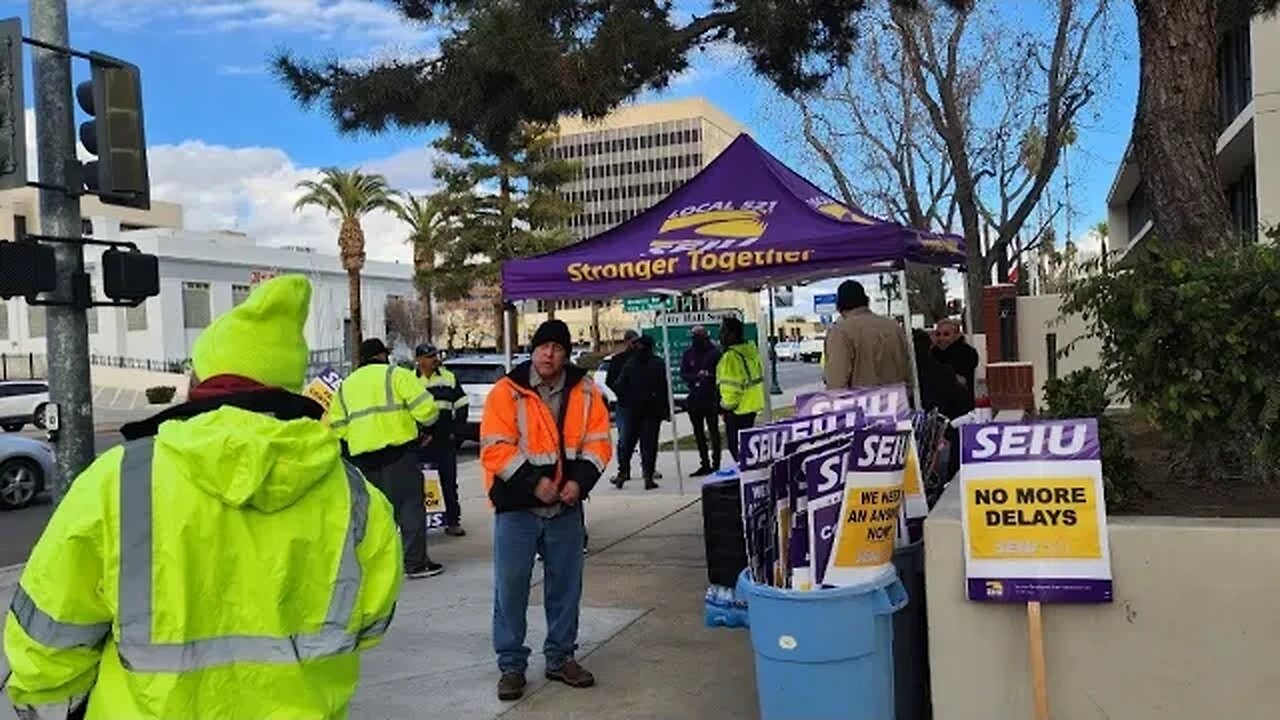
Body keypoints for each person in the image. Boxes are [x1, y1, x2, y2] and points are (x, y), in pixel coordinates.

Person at [3, 275, 402, 719]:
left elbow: (48, 635)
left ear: (201, 378)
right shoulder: (354, 494)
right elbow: (371, 621)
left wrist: (44, 700)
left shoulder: (120, 478)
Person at [480, 319, 613, 701]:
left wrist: (579, 482)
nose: (548, 354)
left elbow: (599, 444)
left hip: (565, 510)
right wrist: (533, 483)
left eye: (557, 348)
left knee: (566, 588)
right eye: (543, 346)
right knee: (511, 589)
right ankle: (511, 666)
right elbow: (494, 447)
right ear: (533, 350)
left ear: (566, 354)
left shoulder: (586, 392)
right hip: (516, 510)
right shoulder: (507, 391)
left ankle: (560, 657)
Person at [330, 338, 443, 578]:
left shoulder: (346, 385)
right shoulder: (396, 375)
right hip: (399, 454)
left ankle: (377, 565)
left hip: (363, 460)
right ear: (383, 355)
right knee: (409, 509)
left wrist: (357, 441)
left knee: (374, 515)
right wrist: (428, 430)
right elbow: (427, 410)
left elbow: (337, 426)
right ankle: (415, 563)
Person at [415, 343, 468, 537]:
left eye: (435, 355)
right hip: (421, 443)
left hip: (444, 441)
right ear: (419, 360)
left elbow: (462, 404)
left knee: (449, 484)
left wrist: (457, 432)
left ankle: (453, 522)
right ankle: (418, 525)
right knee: (418, 486)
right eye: (429, 357)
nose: (434, 359)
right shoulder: (410, 381)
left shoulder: (448, 377)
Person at [823, 279, 910, 391]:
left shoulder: (841, 332)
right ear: (866, 301)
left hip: (863, 400)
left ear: (839, 307)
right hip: (898, 399)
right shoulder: (894, 327)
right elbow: (907, 370)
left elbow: (837, 382)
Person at [613, 334, 670, 490]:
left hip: (634, 409)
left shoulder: (631, 364)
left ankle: (623, 472)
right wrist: (665, 409)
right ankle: (647, 476)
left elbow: (619, 385)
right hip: (651, 409)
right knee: (649, 445)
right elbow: (664, 388)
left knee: (628, 443)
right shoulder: (658, 364)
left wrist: (626, 399)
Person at [716, 316, 765, 463]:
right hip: (752, 405)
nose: (720, 335)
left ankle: (745, 474)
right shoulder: (750, 351)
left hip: (737, 410)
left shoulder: (731, 357)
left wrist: (724, 406)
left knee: (736, 448)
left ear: (732, 333)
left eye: (723, 331)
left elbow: (731, 388)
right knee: (748, 449)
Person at [680, 325, 722, 476]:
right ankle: (704, 463)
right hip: (695, 398)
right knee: (699, 433)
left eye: (700, 335)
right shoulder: (688, 354)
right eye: (695, 336)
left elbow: (722, 373)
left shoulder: (715, 353)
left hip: (711, 397)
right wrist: (697, 377)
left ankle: (716, 464)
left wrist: (709, 376)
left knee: (714, 431)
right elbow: (683, 374)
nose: (697, 339)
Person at [931, 317, 980, 412]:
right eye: (938, 334)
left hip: (961, 406)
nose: (941, 338)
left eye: (946, 334)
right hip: (937, 405)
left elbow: (960, 377)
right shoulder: (932, 353)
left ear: (957, 335)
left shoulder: (967, 352)